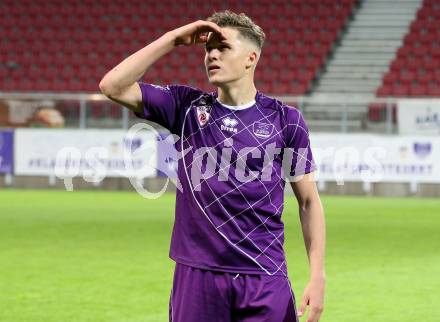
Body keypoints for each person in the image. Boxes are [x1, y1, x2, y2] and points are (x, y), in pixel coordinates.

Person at [100, 10, 326, 322]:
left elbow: (309, 201)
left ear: (251, 58)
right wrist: (173, 39)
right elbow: (112, 86)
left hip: (264, 274)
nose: (212, 55)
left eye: (223, 48)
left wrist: (317, 275)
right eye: (208, 49)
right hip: (197, 275)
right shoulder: (185, 107)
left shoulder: (286, 120)